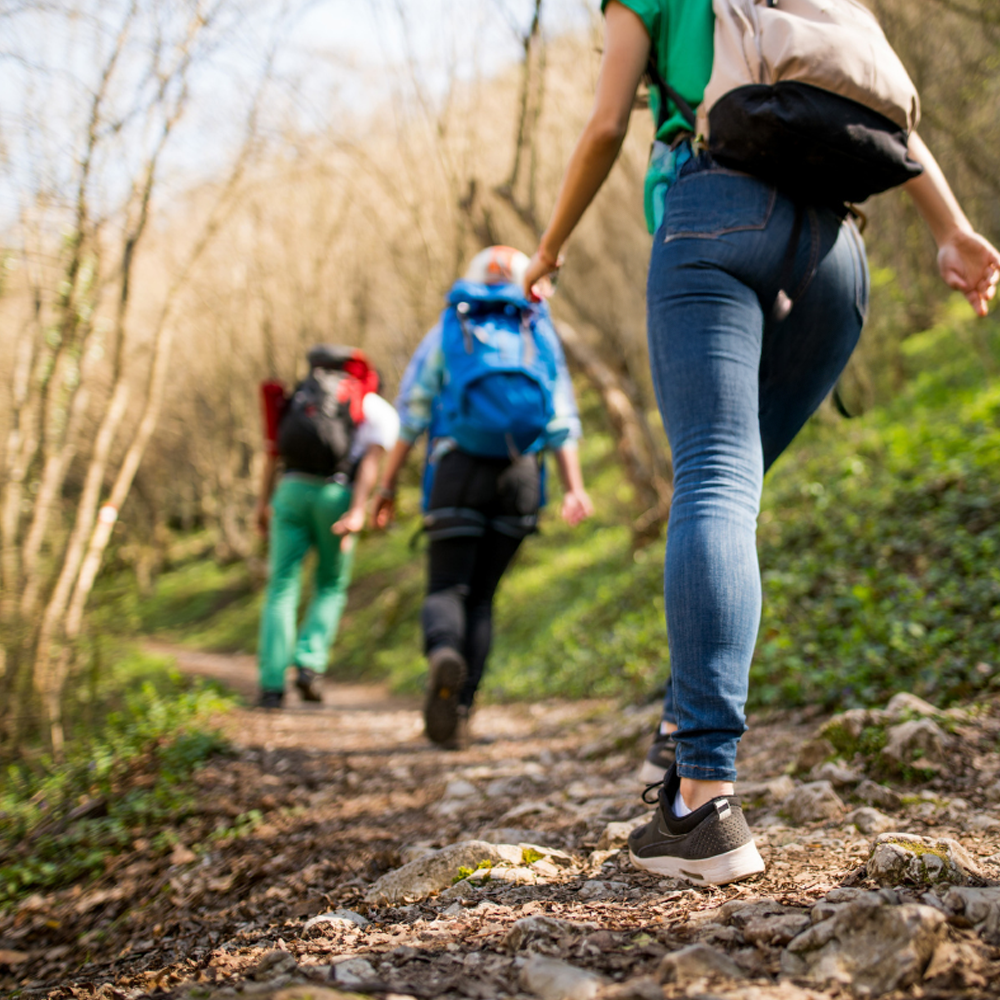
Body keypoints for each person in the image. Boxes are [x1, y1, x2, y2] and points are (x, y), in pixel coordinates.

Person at [522, 1, 1000, 884]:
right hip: (836, 253)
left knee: (713, 480)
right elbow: (886, 112)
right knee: (729, 487)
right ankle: (680, 728)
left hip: (714, 215)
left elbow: (600, 127)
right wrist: (951, 228)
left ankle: (702, 802)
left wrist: (547, 250)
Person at [373, 246, 593, 749]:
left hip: (457, 470)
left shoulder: (452, 325)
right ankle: (464, 709)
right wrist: (575, 488)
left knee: (448, 587)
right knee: (484, 598)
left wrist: (387, 487)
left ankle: (443, 654)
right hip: (519, 476)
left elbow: (413, 411)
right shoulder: (537, 329)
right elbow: (561, 418)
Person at [256, 346, 399, 709]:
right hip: (335, 494)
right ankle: (309, 665)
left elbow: (273, 451)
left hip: (289, 491)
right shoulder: (371, 405)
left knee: (281, 586)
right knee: (331, 584)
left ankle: (271, 685)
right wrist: (357, 510)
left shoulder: (300, 398)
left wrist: (262, 502)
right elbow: (370, 462)